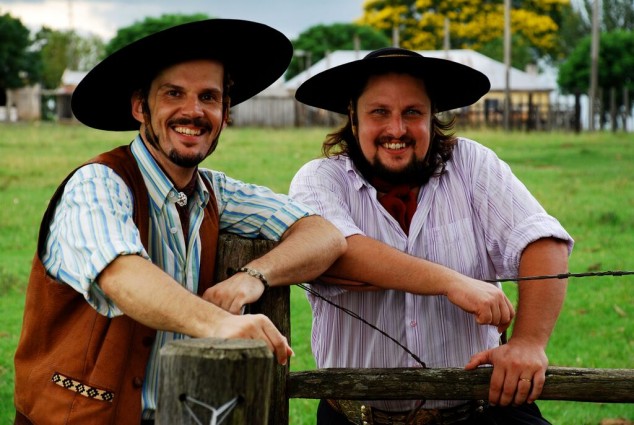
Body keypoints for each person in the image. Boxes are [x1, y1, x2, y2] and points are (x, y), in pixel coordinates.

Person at [13, 19, 346, 425]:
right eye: (174, 93)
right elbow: (121, 274)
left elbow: (325, 235)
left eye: (209, 97)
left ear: (225, 113)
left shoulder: (214, 191)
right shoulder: (97, 183)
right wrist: (220, 323)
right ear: (140, 107)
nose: (193, 111)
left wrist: (255, 276)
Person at [288, 47, 574, 425]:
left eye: (412, 112)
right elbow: (338, 251)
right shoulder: (319, 179)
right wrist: (452, 282)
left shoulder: (471, 165)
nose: (397, 129)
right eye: (379, 112)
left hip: (482, 412)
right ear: (353, 119)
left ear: (432, 116)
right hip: (356, 418)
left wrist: (527, 343)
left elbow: (543, 240)